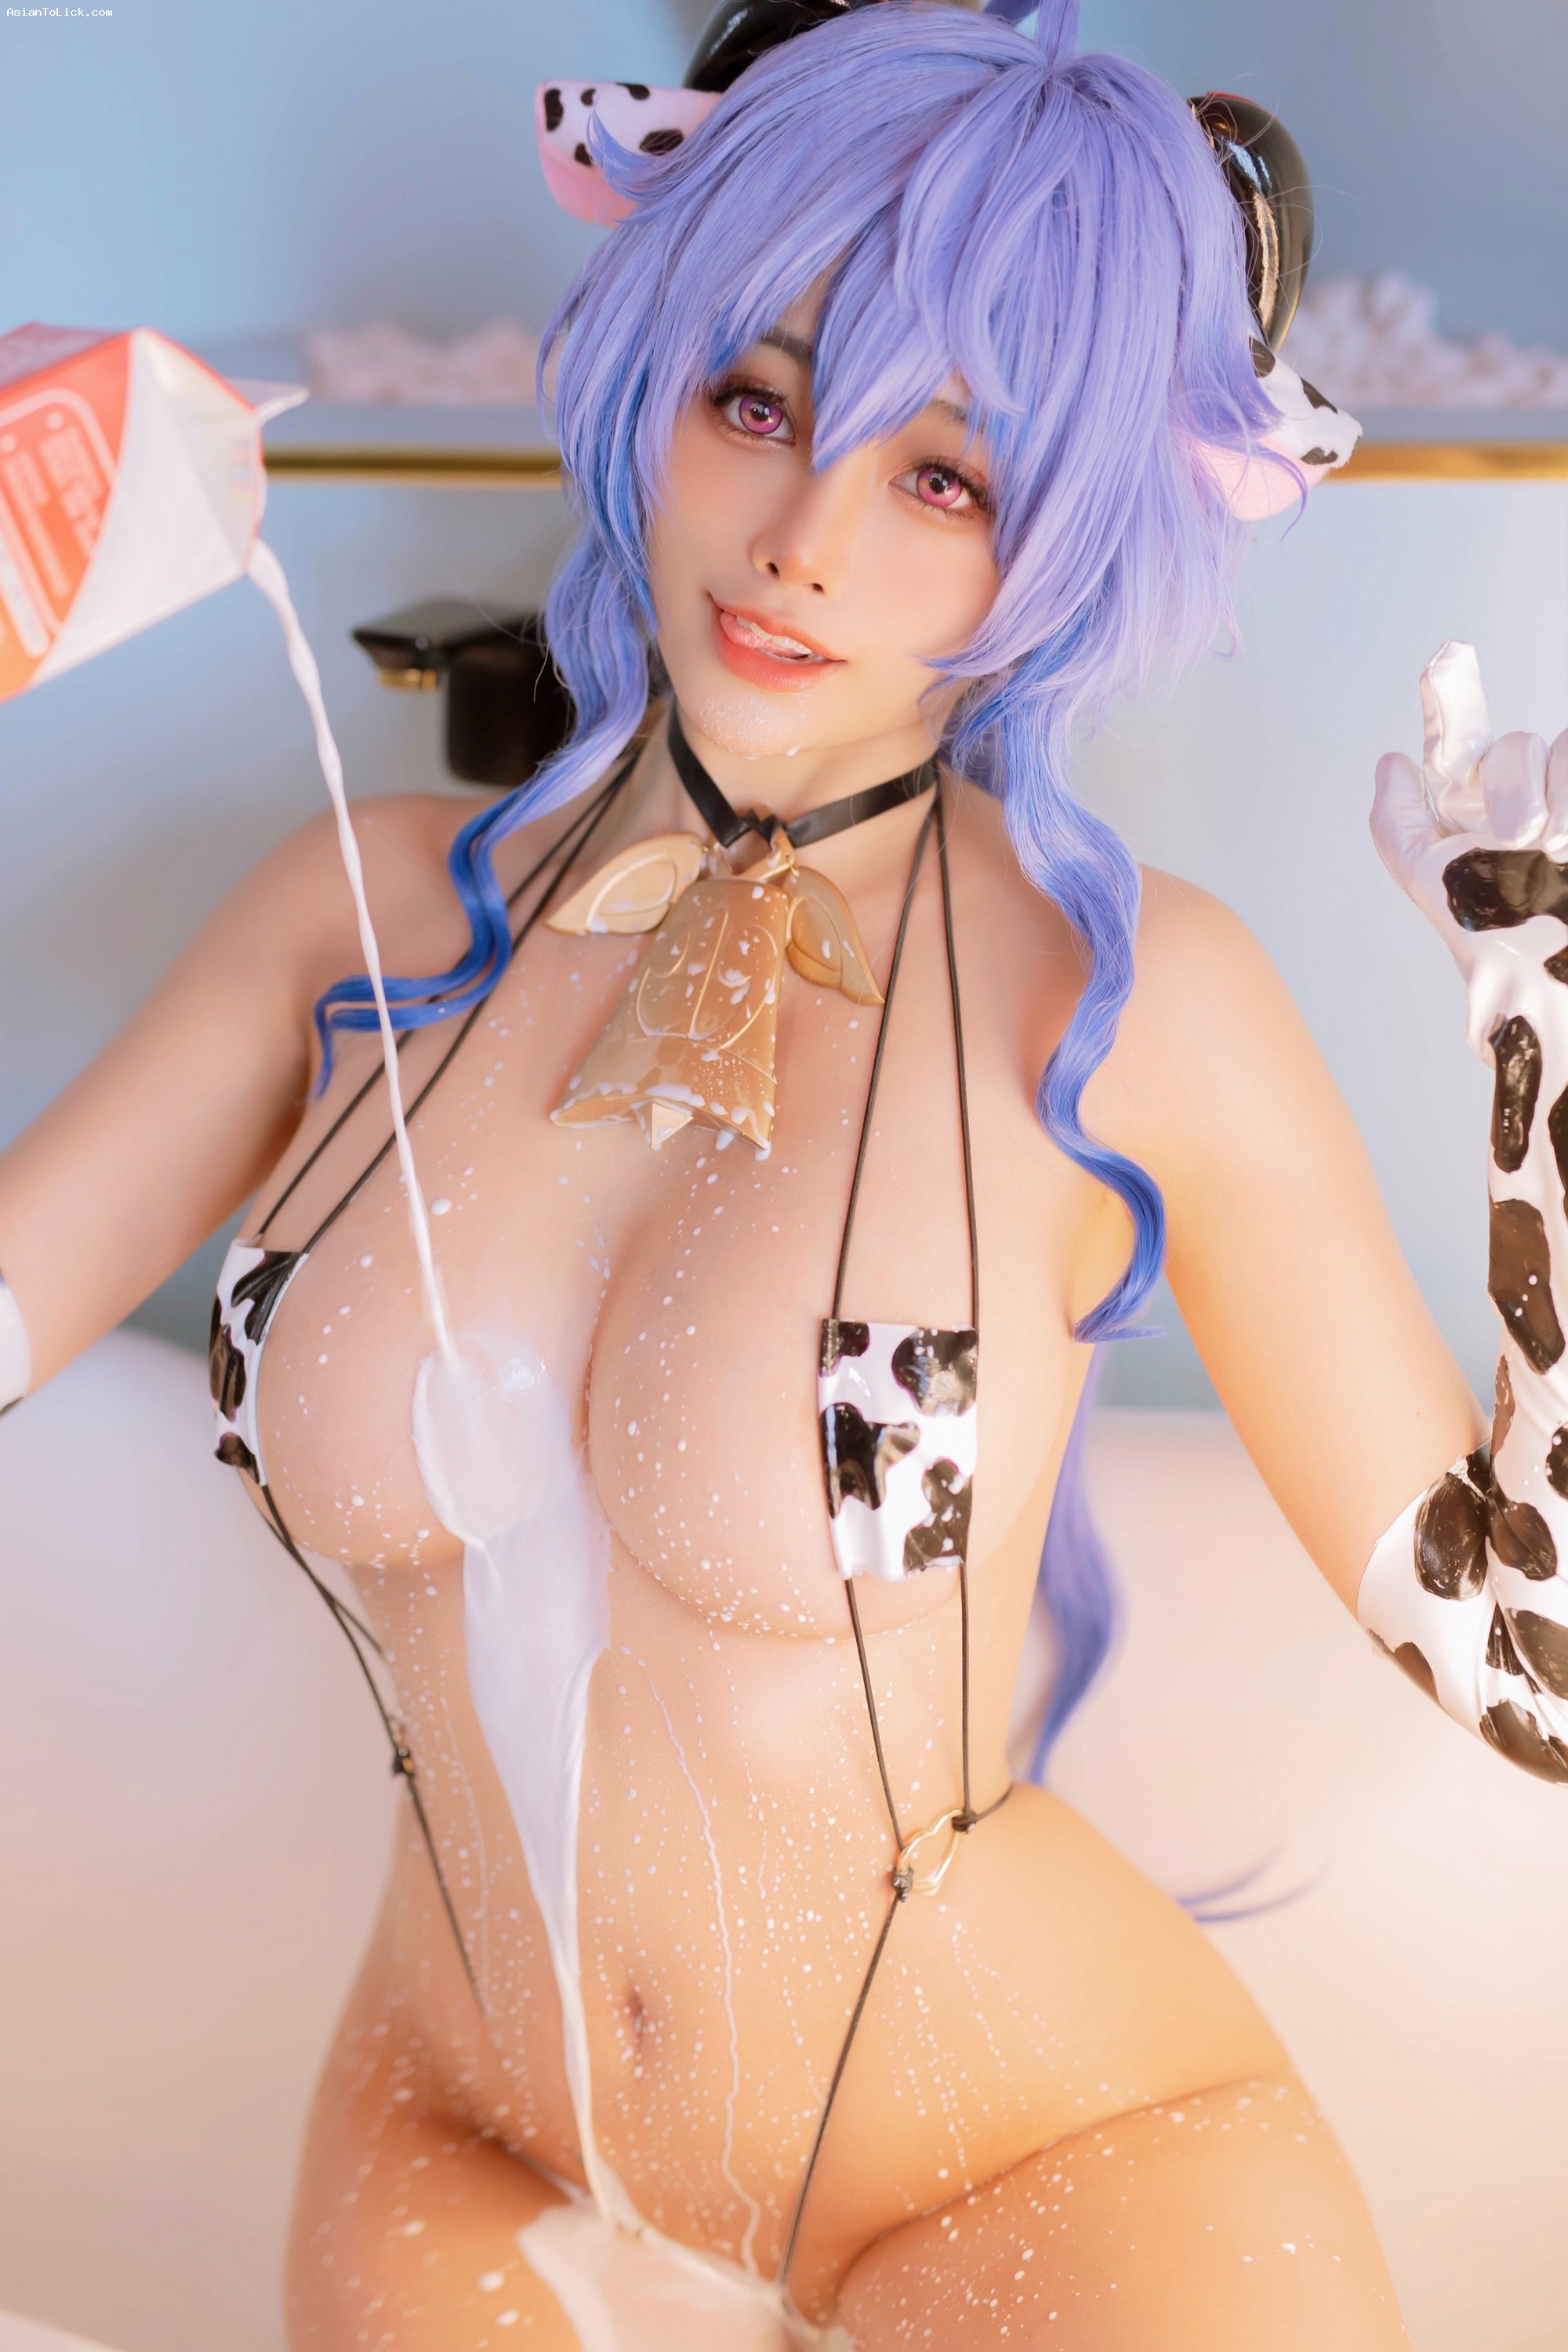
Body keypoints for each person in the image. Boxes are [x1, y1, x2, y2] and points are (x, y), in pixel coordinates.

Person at [1, 2, 1555, 2345]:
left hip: (1047, 2180)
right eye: (757, 401)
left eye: (947, 479)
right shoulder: (355, 916)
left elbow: (1535, 1665)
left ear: (1079, 538)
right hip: (461, 2140)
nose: (806, 542)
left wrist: (1544, 1050)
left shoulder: (1129, 1008)